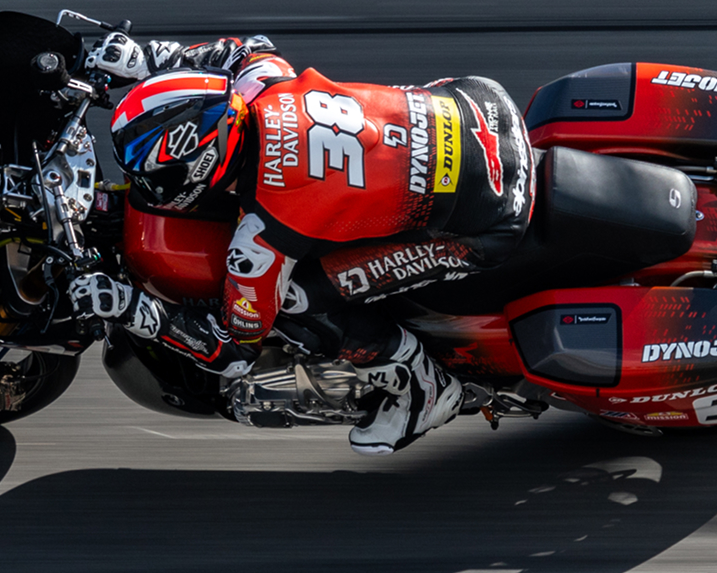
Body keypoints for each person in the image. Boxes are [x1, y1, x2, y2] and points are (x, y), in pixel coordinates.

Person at [67, 32, 533, 454]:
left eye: (156, 178)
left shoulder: (263, 237)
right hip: (480, 103)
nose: (142, 185)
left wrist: (129, 308)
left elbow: (233, 351)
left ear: (202, 167)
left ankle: (423, 388)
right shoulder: (262, 83)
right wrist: (146, 59)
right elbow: (240, 47)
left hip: (489, 222)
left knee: (294, 301)